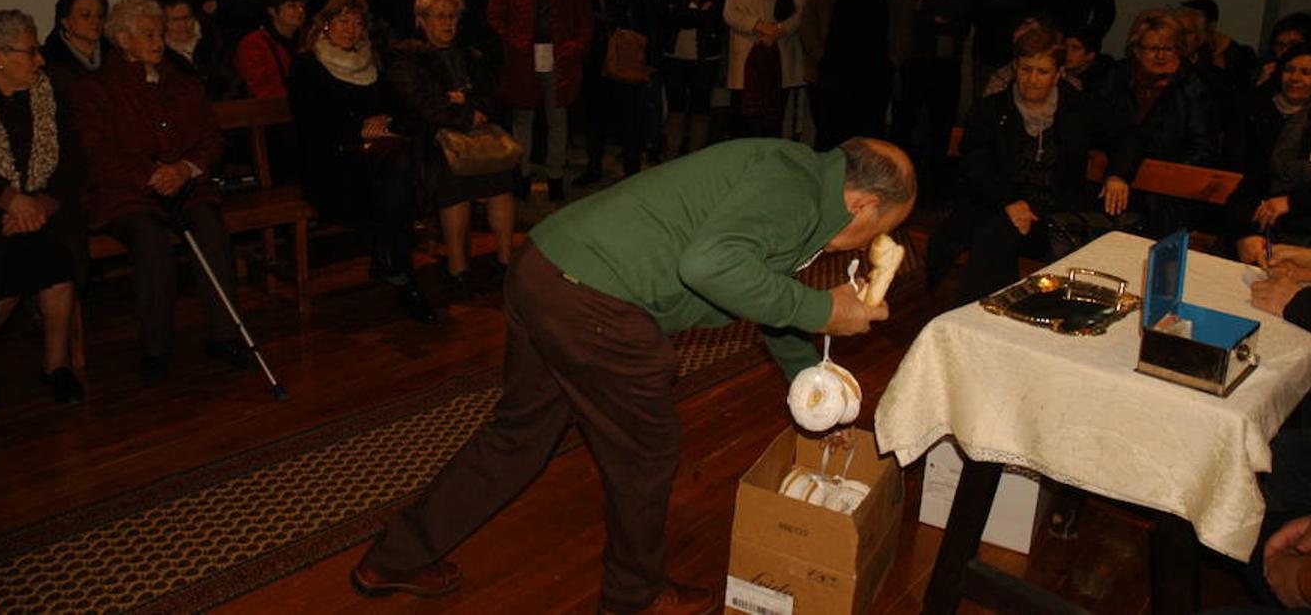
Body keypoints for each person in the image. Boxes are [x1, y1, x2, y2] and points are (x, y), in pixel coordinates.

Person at [350, 136, 916, 613]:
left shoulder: (796, 182)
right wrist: (824, 311)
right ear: (863, 205)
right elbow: (710, 266)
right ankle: (635, 598)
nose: (873, 243)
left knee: (518, 436)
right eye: (883, 227)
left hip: (547, 269)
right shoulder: (790, 192)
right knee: (646, 453)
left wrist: (815, 396)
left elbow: (768, 299)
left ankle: (392, 559)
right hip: (596, 304)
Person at [69, 0, 254, 383]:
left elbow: (212, 139)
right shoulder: (95, 89)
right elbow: (97, 151)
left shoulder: (183, 82)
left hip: (186, 186)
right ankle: (156, 347)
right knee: (150, 240)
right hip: (128, 194)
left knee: (209, 225)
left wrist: (185, 169)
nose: (159, 41)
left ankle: (225, 334)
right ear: (122, 39)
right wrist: (150, 176)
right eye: (148, 34)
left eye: (160, 33)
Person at [926, 27, 1130, 302]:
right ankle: (989, 313)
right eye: (1025, 69)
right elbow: (976, 163)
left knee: (998, 236)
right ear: (1015, 68)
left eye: (1043, 72)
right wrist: (1009, 200)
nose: (1032, 79)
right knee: (996, 233)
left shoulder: (1077, 108)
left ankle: (993, 311)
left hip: (1055, 213)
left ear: (1059, 74)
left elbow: (1128, 135)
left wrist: (1117, 174)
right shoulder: (991, 110)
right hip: (995, 204)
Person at [0, 10, 84, 409]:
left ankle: (57, 365)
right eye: (30, 52)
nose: (40, 60)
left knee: (56, 256)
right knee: (3, 258)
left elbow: (73, 161)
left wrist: (41, 204)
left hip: (44, 206)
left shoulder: (48, 93)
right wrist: (11, 200)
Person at [288, 0, 438, 322]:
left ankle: (397, 268)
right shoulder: (307, 65)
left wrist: (383, 121)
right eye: (343, 21)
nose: (350, 30)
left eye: (357, 23)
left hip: (372, 159)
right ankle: (398, 270)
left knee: (400, 167)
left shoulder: (371, 62)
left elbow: (395, 107)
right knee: (398, 176)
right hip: (329, 162)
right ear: (325, 24)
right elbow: (313, 123)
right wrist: (359, 126)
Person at [387, 0, 514, 288]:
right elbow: (420, 104)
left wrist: (469, 106)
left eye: (453, 16)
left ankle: (506, 260)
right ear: (422, 20)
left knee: (501, 177)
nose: (448, 23)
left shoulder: (470, 54)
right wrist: (465, 113)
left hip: (476, 138)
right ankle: (459, 268)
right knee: (452, 178)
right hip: (431, 140)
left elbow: (493, 94)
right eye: (439, 16)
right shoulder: (406, 56)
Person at [488, 0, 592, 200]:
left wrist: (575, 47)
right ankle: (521, 175)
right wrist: (512, 40)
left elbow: (584, 18)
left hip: (559, 56)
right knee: (524, 116)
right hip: (523, 55)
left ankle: (555, 176)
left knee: (557, 116)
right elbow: (496, 13)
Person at [1094, 9, 1214, 236]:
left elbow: (1202, 147)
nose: (1161, 56)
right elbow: (1104, 129)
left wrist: (1153, 171)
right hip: (1114, 181)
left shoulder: (1192, 87)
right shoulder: (1118, 77)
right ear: (1137, 50)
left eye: (1168, 48)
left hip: (1168, 195)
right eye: (1153, 49)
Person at [801, 0, 912, 149]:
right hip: (832, 69)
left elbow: (903, 27)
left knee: (868, 138)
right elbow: (809, 17)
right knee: (829, 133)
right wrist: (819, 55)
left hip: (874, 74)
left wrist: (891, 61)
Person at [894, 0, 976, 196]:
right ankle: (901, 185)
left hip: (945, 64)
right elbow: (904, 18)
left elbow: (957, 17)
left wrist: (924, 16)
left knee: (940, 127)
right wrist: (933, 18)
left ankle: (936, 190)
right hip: (913, 62)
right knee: (905, 125)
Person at [580, 0, 656, 182]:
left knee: (630, 113)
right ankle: (594, 165)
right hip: (596, 52)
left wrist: (650, 52)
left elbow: (648, 15)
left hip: (627, 49)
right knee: (595, 113)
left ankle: (631, 168)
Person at [1226, 45, 1311, 265]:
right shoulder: (1263, 114)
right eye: (1289, 69)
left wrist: (1292, 202)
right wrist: (1245, 235)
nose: (1295, 78)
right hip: (1263, 226)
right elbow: (1251, 182)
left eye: (1306, 73)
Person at [724, 0, 806, 140]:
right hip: (747, 58)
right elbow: (730, 14)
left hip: (781, 54)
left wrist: (780, 30)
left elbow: (802, 12)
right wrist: (758, 26)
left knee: (776, 119)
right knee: (746, 120)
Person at [657, 0, 725, 157]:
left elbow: (715, 16)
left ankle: (696, 157)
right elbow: (664, 15)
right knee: (676, 106)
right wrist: (696, 15)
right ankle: (672, 155)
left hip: (706, 53)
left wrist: (685, 14)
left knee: (701, 107)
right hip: (675, 53)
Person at [157, 0, 238, 100]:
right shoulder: (159, 53)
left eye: (187, 18)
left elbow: (232, 79)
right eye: (175, 20)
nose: (183, 25)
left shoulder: (213, 39)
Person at [235, 0, 308, 98]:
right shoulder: (253, 44)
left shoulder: (309, 40)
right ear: (272, 11)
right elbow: (261, 89)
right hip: (272, 110)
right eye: (292, 6)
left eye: (303, 6)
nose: (300, 11)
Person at [42, 0, 111, 92]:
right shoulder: (49, 61)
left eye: (100, 16)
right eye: (86, 15)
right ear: (66, 21)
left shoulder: (114, 54)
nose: (95, 21)